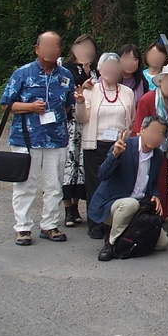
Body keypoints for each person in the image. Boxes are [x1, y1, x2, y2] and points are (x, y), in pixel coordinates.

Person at [0, 31, 76, 246]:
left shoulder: (65, 76)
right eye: (47, 46)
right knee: (25, 185)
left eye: (56, 46)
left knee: (54, 186)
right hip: (26, 138)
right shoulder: (22, 74)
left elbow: (68, 104)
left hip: (56, 138)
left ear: (60, 50)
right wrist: (30, 107)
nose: (51, 50)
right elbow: (6, 104)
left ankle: (50, 225)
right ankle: (22, 228)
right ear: (37, 49)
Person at [88, 116, 168, 261]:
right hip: (113, 205)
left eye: (161, 134)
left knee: (162, 243)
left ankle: (124, 236)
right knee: (130, 204)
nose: (156, 136)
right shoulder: (124, 146)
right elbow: (102, 174)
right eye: (153, 131)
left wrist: (156, 196)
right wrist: (114, 155)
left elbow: (154, 183)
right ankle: (111, 243)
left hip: (138, 208)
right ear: (142, 130)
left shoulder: (157, 155)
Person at [75, 52, 136, 239]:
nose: (111, 70)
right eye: (107, 67)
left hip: (118, 146)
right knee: (95, 185)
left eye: (114, 67)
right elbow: (81, 118)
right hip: (95, 144)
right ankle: (95, 222)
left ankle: (113, 221)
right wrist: (80, 103)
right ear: (100, 70)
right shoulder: (90, 90)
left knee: (115, 185)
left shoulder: (127, 92)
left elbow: (131, 119)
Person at [133, 64, 168, 220]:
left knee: (163, 184)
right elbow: (139, 128)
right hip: (149, 148)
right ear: (161, 81)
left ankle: (160, 217)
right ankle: (146, 216)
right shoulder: (147, 99)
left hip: (167, 148)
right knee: (148, 182)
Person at [60, 33, 98, 229]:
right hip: (70, 122)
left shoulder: (95, 69)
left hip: (88, 122)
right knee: (69, 163)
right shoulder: (64, 68)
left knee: (82, 163)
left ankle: (76, 207)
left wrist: (87, 71)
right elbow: (67, 91)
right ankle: (67, 208)